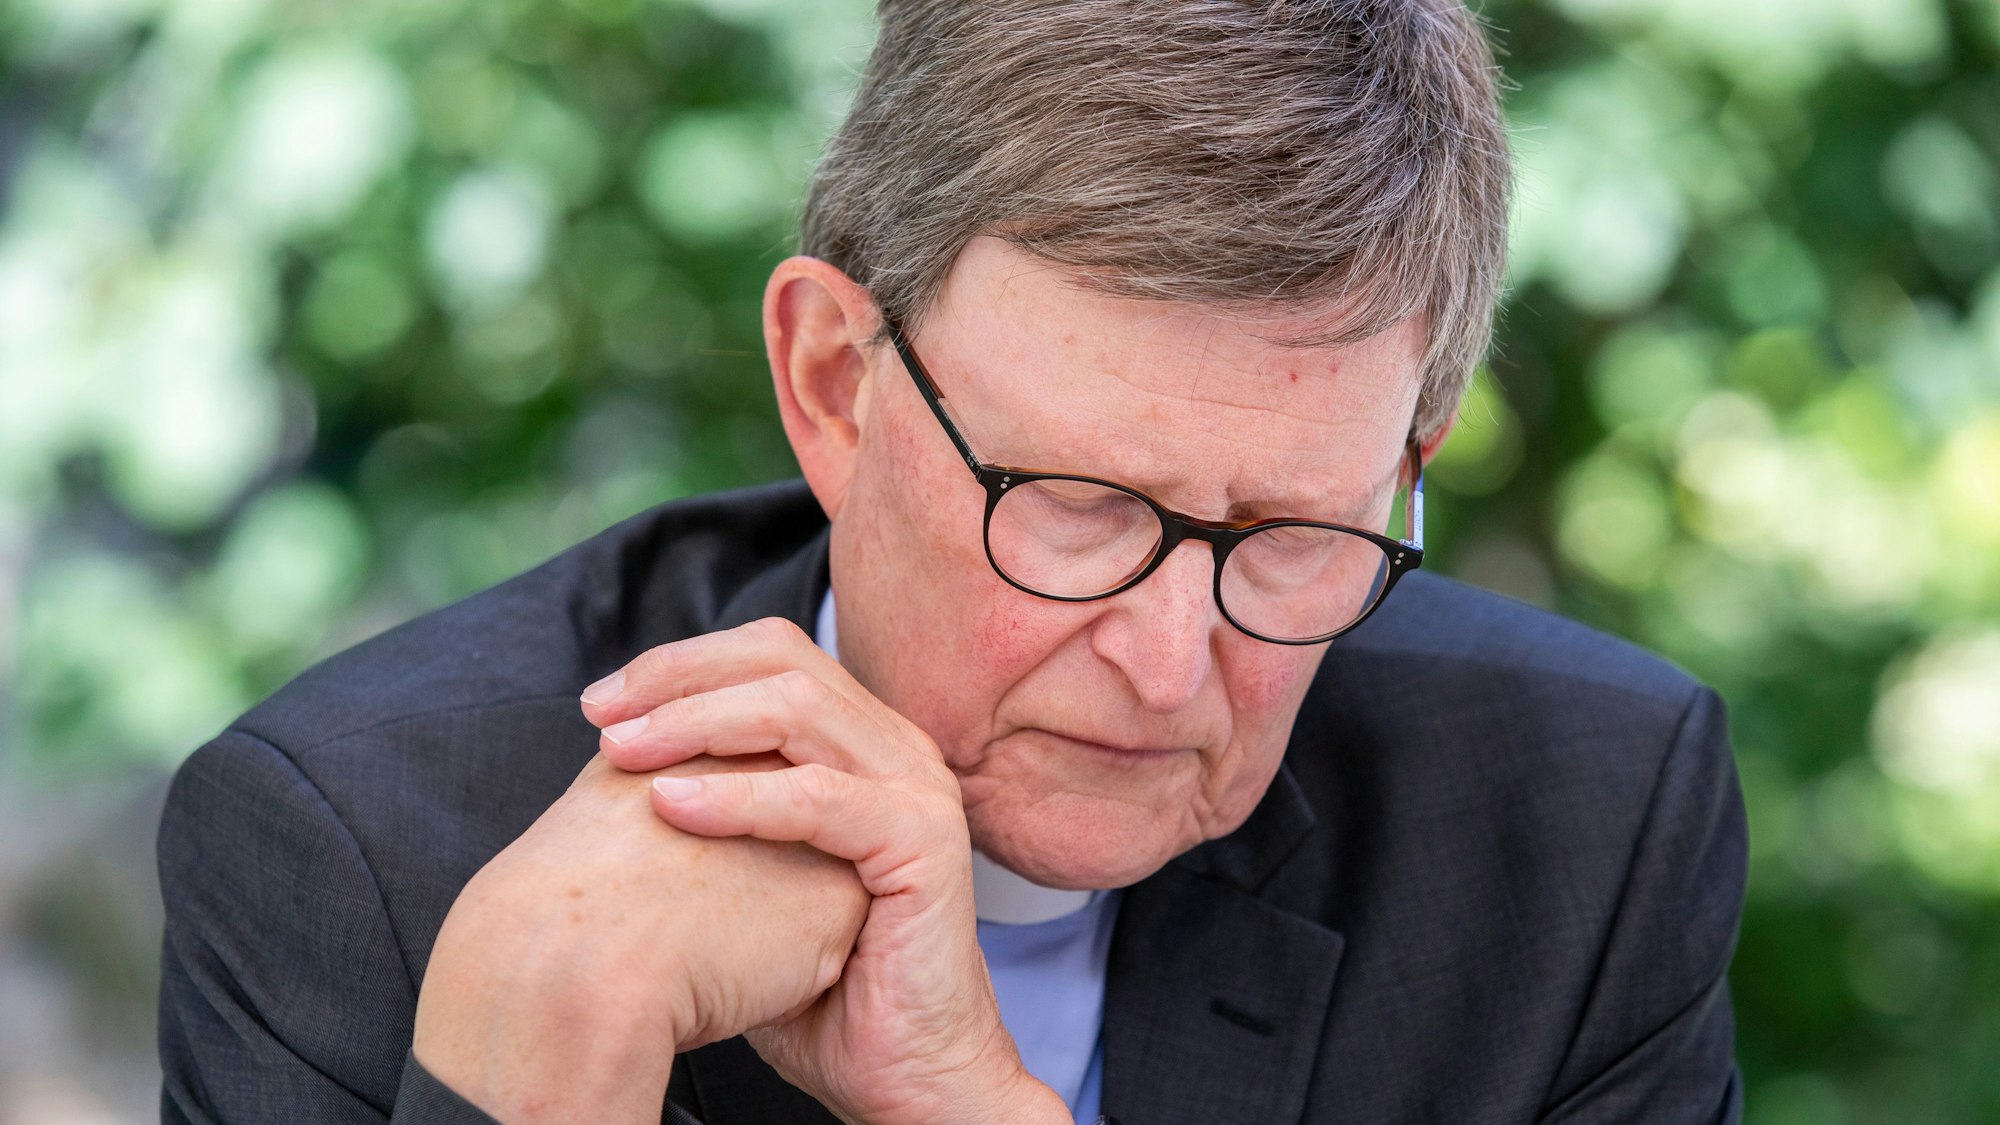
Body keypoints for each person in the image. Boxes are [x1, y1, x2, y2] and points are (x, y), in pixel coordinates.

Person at [155, 1, 1749, 1122]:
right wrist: (549, 1065)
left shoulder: (1583, 825)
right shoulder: (370, 856)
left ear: (1409, 466)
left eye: (1287, 535)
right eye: (1078, 503)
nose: (1168, 659)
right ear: (835, 385)